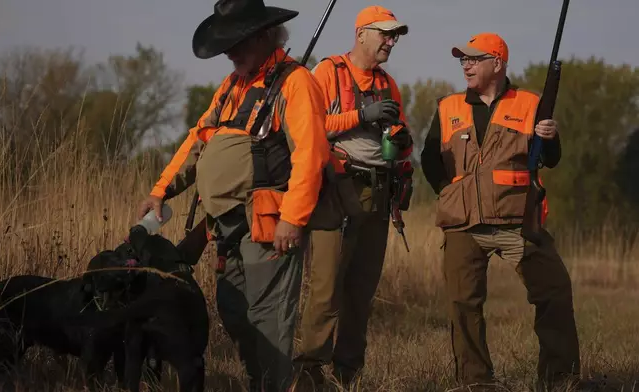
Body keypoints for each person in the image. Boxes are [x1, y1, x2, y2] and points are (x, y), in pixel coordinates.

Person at [134, 0, 333, 390]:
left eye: (236, 42)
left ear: (263, 36)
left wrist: (292, 219)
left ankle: (272, 385)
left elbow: (311, 156)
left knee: (268, 317)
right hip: (224, 229)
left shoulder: (296, 82)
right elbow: (198, 139)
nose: (229, 51)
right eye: (226, 43)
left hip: (269, 224)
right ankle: (261, 380)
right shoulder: (232, 85)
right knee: (233, 309)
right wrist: (162, 191)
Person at [420, 32, 585, 391]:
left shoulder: (529, 103)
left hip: (517, 219)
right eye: (462, 59)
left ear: (497, 63)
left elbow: (549, 159)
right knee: (463, 303)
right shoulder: (448, 106)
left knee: (554, 291)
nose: (466, 64)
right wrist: (448, 192)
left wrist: (551, 136)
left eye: (474, 58)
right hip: (463, 221)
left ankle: (559, 379)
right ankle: (476, 382)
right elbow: (430, 158)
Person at [292, 5, 414, 390]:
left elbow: (399, 134)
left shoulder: (389, 84)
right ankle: (309, 373)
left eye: (395, 36)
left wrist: (403, 144)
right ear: (361, 34)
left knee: (361, 290)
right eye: (385, 34)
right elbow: (308, 126)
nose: (391, 42)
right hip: (337, 192)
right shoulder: (327, 72)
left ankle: (347, 375)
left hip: (378, 195)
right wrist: (362, 115)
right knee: (326, 288)